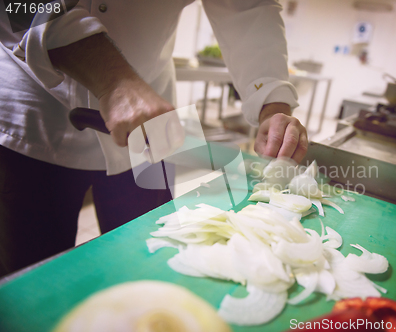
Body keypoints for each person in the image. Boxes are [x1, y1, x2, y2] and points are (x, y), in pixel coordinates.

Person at [0, 0, 308, 277]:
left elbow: (249, 7)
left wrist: (272, 101)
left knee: (155, 259)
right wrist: (114, 80)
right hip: (34, 105)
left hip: (156, 117)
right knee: (33, 276)